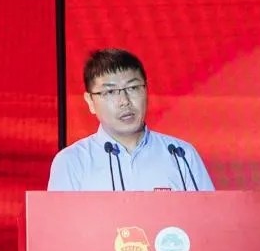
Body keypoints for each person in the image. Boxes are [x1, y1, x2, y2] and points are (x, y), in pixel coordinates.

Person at [47, 48, 215, 191]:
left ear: (146, 90)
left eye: (133, 88)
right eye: (110, 92)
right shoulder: (72, 162)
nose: (124, 101)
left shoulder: (181, 155)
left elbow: (208, 217)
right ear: (90, 101)